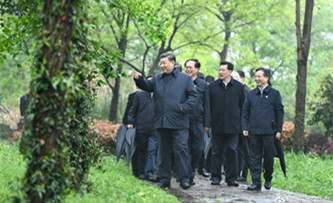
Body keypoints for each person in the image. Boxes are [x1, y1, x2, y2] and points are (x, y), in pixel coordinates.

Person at [134, 52, 197, 189]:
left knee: (181, 150)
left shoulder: (185, 79)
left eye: (164, 63)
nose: (162, 65)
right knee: (162, 152)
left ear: (173, 63)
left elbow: (193, 96)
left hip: (179, 122)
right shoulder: (157, 79)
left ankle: (185, 179)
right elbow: (147, 86)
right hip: (162, 122)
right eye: (161, 63)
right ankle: (164, 179)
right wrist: (139, 79)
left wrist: (183, 108)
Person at [242, 67, 284, 191]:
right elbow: (245, 111)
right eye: (255, 76)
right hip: (254, 131)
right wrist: (245, 127)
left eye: (259, 76)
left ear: (267, 78)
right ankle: (256, 182)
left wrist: (278, 130)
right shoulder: (250, 94)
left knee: (269, 157)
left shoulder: (275, 94)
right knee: (254, 156)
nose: (257, 79)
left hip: (269, 132)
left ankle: (268, 177)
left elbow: (279, 113)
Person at [209, 61, 244, 187]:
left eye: (223, 70)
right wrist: (208, 122)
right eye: (219, 70)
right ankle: (215, 177)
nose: (221, 72)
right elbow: (208, 106)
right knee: (216, 151)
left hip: (233, 125)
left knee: (232, 151)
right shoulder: (212, 87)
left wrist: (242, 124)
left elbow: (242, 106)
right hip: (217, 124)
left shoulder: (239, 88)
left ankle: (231, 178)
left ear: (230, 72)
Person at [184, 59, 210, 184]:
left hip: (198, 121)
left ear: (197, 69)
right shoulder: (181, 81)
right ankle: (186, 176)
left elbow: (207, 104)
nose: (188, 69)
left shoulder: (203, 85)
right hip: (182, 121)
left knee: (198, 149)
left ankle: (191, 171)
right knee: (184, 148)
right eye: (186, 67)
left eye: (191, 67)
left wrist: (207, 123)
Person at [127, 76, 158, 181]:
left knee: (152, 150)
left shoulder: (159, 95)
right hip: (142, 127)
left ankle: (149, 172)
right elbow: (133, 109)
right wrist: (130, 122)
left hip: (155, 128)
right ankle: (141, 172)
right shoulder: (140, 95)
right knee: (142, 150)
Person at [236, 70, 251, 182]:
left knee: (244, 149)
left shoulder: (246, 91)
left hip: (243, 125)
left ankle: (243, 173)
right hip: (236, 124)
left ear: (242, 79)